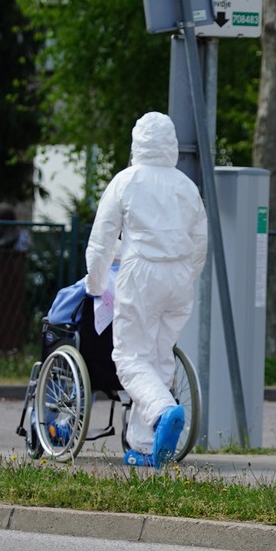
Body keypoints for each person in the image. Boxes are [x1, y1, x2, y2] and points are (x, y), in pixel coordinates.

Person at [84, 111, 208, 468]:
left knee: (130, 357)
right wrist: (188, 277)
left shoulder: (126, 181)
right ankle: (144, 446)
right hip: (179, 277)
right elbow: (199, 242)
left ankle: (162, 410)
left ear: (137, 143)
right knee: (158, 356)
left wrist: (95, 285)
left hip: (141, 275)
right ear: (170, 145)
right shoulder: (186, 186)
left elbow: (102, 241)